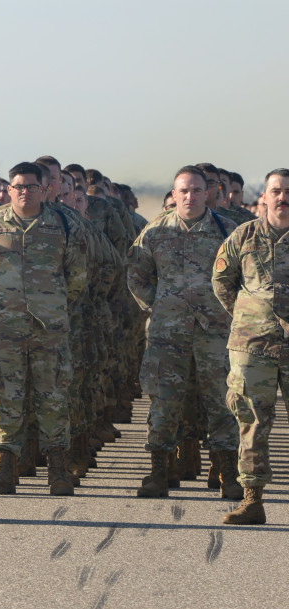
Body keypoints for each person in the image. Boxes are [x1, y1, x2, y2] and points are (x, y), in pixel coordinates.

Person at [0, 163, 86, 496]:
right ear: (9, 189)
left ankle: (58, 468)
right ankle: (5, 467)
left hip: (49, 331)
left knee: (52, 398)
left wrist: (57, 306)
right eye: (18, 186)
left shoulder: (63, 224)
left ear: (44, 189)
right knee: (7, 398)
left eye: (31, 187)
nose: (25, 192)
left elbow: (77, 275)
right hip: (5, 328)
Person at [127, 166, 239, 499]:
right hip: (167, 335)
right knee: (163, 403)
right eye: (183, 191)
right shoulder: (154, 232)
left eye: (196, 190)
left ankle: (228, 474)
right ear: (174, 195)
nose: (189, 197)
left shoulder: (227, 232)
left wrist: (226, 311)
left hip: (214, 334)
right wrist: (159, 306)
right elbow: (136, 275)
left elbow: (241, 279)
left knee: (222, 402)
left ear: (209, 193)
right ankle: (159, 472)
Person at [211, 168, 289, 525]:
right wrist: (248, 315)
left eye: (288, 192)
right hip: (252, 345)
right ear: (265, 196)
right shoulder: (243, 235)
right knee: (252, 422)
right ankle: (252, 500)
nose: (283, 198)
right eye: (276, 191)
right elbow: (222, 281)